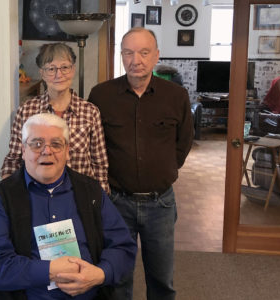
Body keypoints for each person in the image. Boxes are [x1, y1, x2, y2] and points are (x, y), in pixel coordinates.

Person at [0, 113, 136, 300]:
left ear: (67, 151)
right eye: (37, 143)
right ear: (23, 150)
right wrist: (51, 270)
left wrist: (100, 274)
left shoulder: (90, 191)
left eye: (56, 144)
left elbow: (123, 247)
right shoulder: (1, 198)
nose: (47, 151)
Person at [88, 27, 194, 300]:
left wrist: (162, 171)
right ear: (121, 56)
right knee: (117, 279)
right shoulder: (101, 95)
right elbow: (92, 145)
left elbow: (183, 144)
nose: (136, 60)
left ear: (156, 55)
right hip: (116, 202)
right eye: (128, 52)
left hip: (160, 204)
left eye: (144, 52)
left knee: (161, 280)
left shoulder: (176, 96)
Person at [1, 43, 110, 193]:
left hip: (80, 198)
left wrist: (100, 204)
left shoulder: (90, 112)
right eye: (51, 69)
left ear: (73, 70)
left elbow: (99, 165)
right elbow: (13, 160)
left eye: (65, 67)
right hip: (36, 197)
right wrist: (10, 197)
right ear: (42, 73)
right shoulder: (26, 111)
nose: (59, 75)